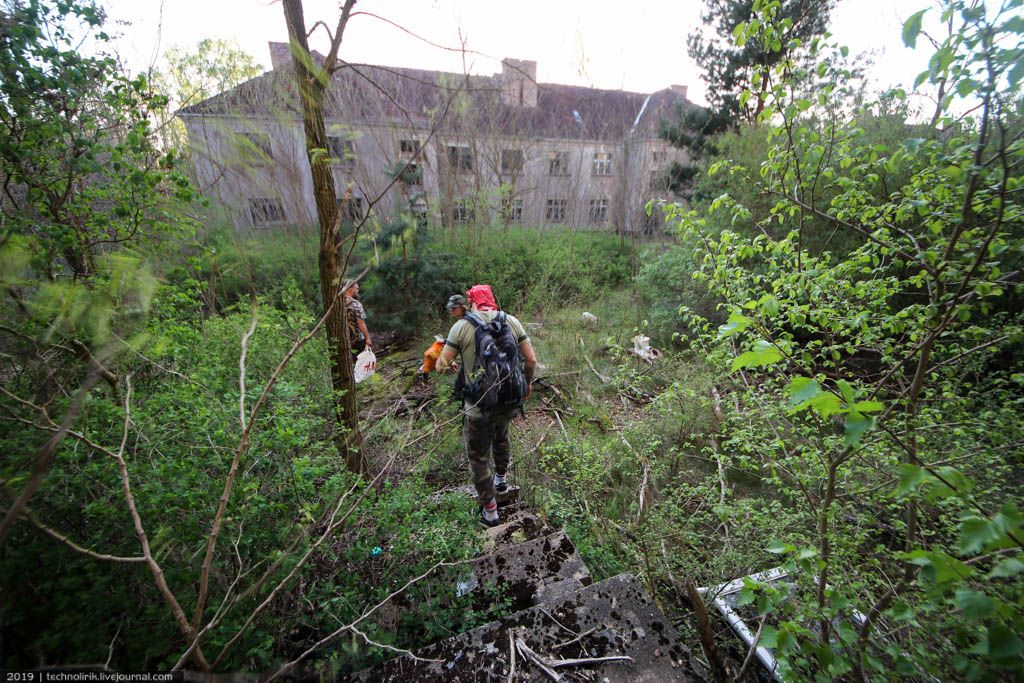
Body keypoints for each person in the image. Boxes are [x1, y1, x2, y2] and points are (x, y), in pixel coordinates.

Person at [437, 284, 537, 527]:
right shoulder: (511, 321)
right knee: (501, 437)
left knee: (478, 455)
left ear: (471, 302)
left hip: (478, 405)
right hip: (509, 400)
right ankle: (501, 480)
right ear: (492, 300)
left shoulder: (461, 327)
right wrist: (527, 383)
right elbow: (531, 359)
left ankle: (490, 511)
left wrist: (444, 358)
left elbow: (440, 366)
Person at [343, 282, 372, 354]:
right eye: (356, 288)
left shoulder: (336, 303)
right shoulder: (356, 304)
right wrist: (367, 338)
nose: (358, 290)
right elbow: (361, 322)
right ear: (350, 289)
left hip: (341, 340)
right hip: (356, 340)